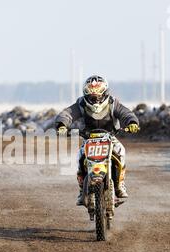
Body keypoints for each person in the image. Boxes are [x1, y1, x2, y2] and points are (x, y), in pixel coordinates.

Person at [55, 75, 140, 205]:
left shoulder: (113, 103)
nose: (95, 99)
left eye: (98, 95)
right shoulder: (81, 104)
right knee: (79, 157)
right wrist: (62, 124)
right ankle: (81, 190)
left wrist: (132, 122)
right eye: (91, 96)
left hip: (110, 137)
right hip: (88, 138)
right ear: (86, 93)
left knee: (121, 151)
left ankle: (120, 184)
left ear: (105, 92)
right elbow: (67, 114)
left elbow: (126, 113)